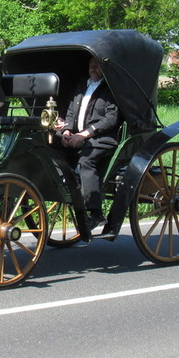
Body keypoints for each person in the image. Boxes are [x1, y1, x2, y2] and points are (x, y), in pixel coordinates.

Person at [58, 56, 120, 232]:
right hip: (79, 136)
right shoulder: (82, 86)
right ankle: (66, 185)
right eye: (91, 65)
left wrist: (84, 135)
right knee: (53, 147)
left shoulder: (110, 89)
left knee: (86, 161)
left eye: (96, 66)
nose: (93, 69)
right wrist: (66, 131)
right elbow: (71, 112)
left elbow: (111, 119)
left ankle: (95, 213)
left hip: (102, 138)